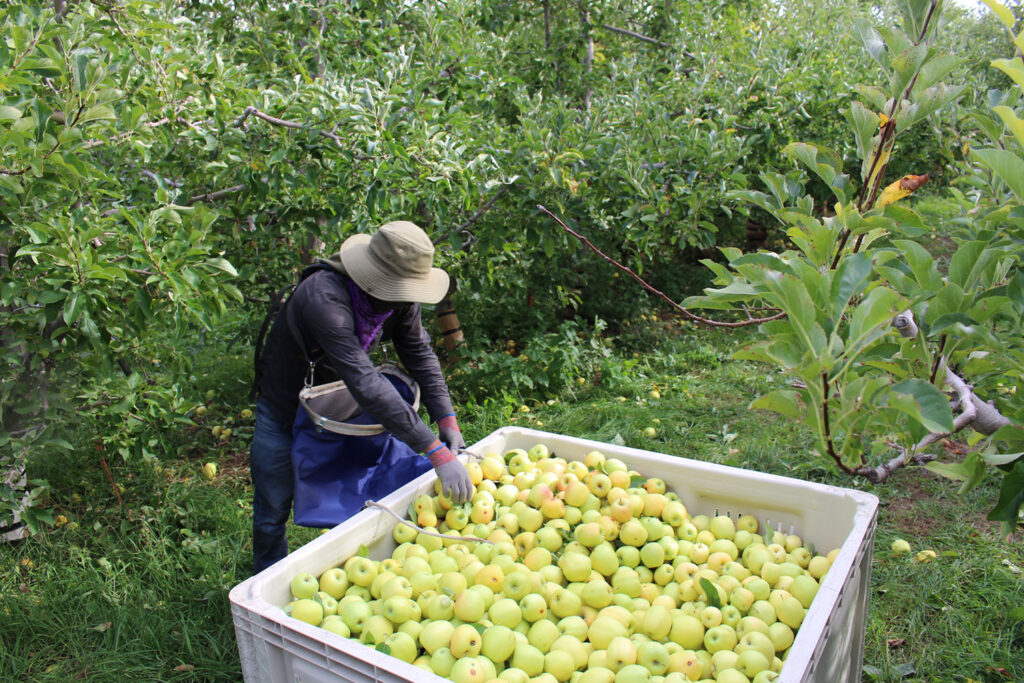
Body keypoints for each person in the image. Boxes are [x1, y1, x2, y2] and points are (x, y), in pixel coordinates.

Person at [250, 220, 473, 573]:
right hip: (284, 406)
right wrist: (433, 449)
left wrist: (447, 419)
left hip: (337, 407)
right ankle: (264, 584)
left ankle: (353, 569)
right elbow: (365, 381)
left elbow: (419, 353)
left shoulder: (396, 298)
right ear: (375, 278)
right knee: (272, 508)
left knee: (350, 489)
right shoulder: (323, 297)